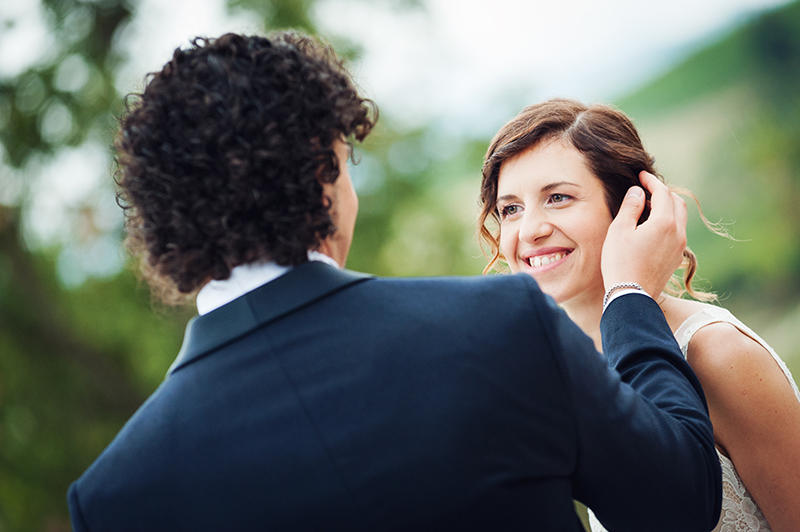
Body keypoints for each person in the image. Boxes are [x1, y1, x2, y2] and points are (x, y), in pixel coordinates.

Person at [68, 33, 721, 531]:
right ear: (325, 173)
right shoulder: (500, 323)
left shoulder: (113, 497)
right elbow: (678, 503)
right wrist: (630, 297)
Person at [479, 98, 800, 532]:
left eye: (558, 197)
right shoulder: (570, 368)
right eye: (510, 208)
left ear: (631, 207)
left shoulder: (717, 353)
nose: (530, 230)